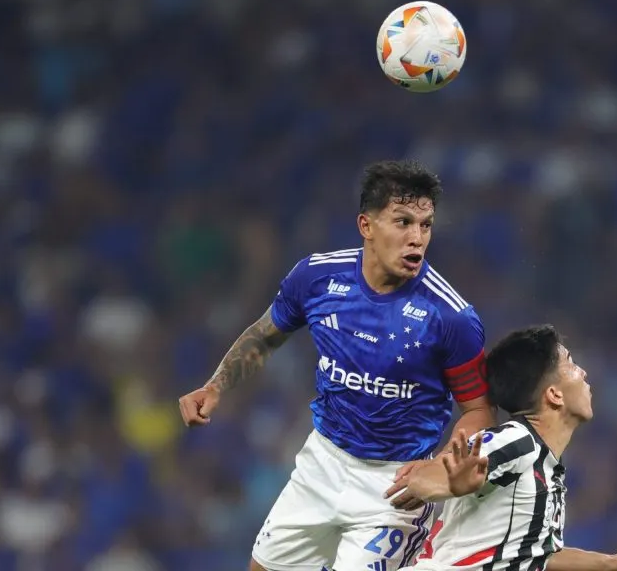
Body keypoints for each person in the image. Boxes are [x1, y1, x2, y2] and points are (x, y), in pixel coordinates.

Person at [177, 160, 496, 571]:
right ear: (366, 225)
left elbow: (480, 409)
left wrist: (438, 467)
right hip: (321, 465)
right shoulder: (316, 278)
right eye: (403, 222)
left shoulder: (451, 318)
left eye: (425, 225)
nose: (416, 238)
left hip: (393, 489)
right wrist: (216, 386)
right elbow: (265, 335)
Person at [386, 325, 617, 571]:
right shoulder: (516, 441)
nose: (584, 372)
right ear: (554, 395)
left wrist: (610, 563)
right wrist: (452, 484)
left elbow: (540, 555)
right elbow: (425, 478)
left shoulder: (547, 469)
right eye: (571, 363)